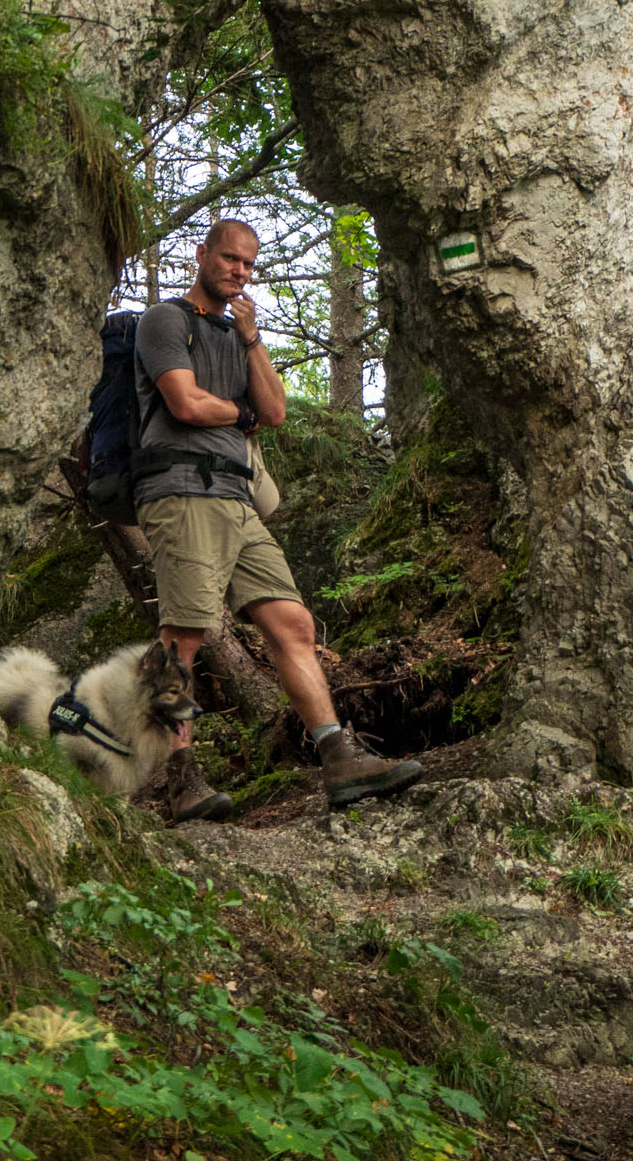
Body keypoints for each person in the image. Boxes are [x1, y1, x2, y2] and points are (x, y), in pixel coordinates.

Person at [132, 218, 425, 822]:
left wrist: (252, 338)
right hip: (182, 490)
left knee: (291, 623)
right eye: (229, 259)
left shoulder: (236, 331)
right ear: (202, 254)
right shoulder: (166, 320)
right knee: (183, 639)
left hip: (237, 500)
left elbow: (276, 411)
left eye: (247, 263)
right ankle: (179, 780)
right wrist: (240, 415)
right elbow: (185, 402)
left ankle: (338, 758)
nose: (238, 270)